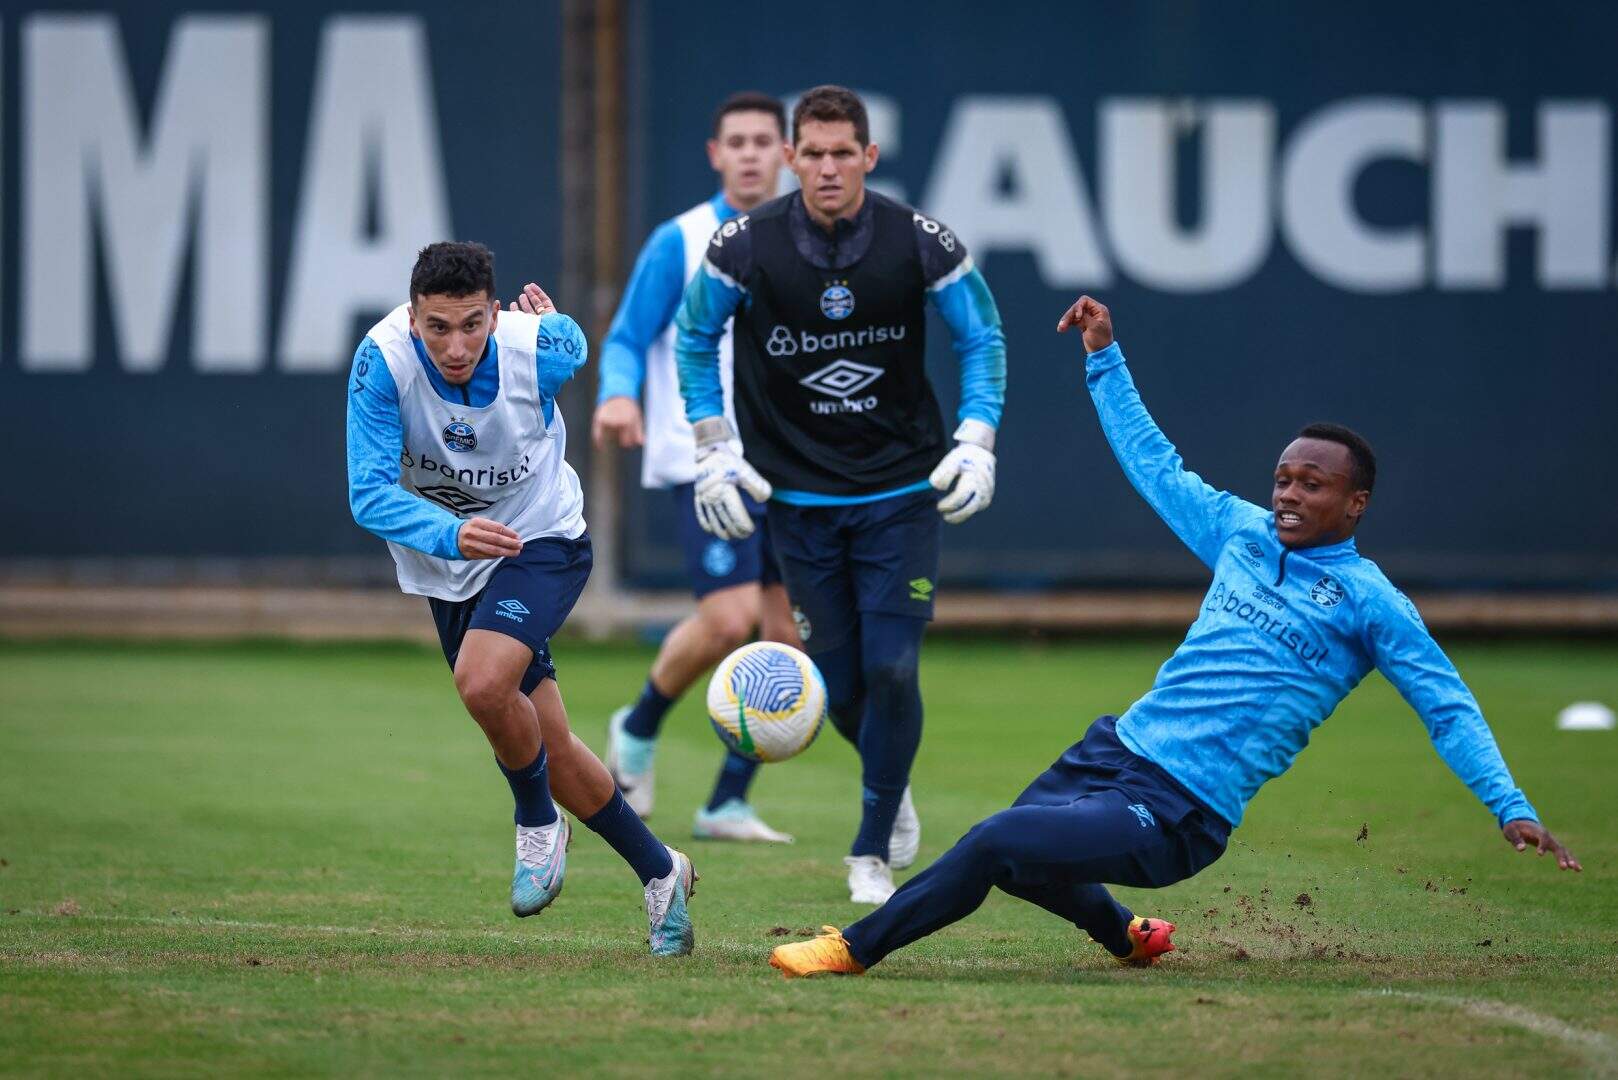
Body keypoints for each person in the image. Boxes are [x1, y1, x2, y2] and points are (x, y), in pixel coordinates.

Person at [768, 294, 1580, 977]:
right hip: (1114, 750)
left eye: (1313, 484)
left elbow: (1447, 705)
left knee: (995, 842)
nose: (1289, 495)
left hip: (1182, 809)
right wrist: (1104, 356)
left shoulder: (1372, 604)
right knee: (1022, 863)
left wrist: (1509, 805)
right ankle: (1128, 936)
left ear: (1355, 503)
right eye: (1283, 479)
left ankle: (853, 949)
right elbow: (1156, 465)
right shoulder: (1243, 533)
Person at [675, 85, 1008, 904]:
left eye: (843, 154)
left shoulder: (920, 241)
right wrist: (712, 447)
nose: (828, 168)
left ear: (869, 156)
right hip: (797, 499)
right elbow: (693, 337)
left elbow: (982, 335)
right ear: (792, 159)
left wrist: (977, 435)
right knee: (837, 685)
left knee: (892, 668)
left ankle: (870, 849)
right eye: (814, 154)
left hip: (902, 490)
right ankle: (892, 783)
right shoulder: (744, 246)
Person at [345, 241, 697, 956]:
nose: (455, 346)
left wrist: (549, 332)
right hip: (454, 558)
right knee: (550, 743)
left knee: (482, 683)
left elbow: (570, 343)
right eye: (437, 327)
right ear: (411, 317)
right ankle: (663, 873)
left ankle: (537, 822)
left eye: (472, 324)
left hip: (541, 539)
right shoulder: (381, 363)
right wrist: (451, 533)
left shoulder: (542, 349)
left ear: (495, 313)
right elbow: (368, 494)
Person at [597, 92, 799, 843]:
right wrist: (619, 395)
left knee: (786, 636)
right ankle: (638, 726)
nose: (749, 154)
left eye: (762, 141)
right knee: (730, 620)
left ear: (784, 154)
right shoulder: (678, 241)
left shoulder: (805, 240)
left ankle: (726, 803)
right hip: (703, 456)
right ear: (716, 154)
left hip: (790, 461)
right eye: (735, 142)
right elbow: (627, 336)